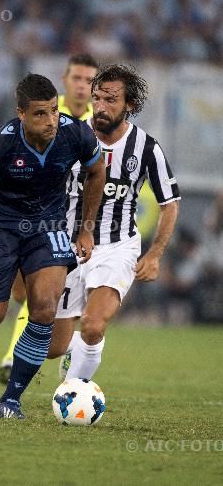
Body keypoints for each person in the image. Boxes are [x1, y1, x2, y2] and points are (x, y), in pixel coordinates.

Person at [0, 73, 106, 419]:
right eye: (39, 114)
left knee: (44, 309)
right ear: (21, 114)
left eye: (52, 111)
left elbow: (97, 171)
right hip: (1, 227)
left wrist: (86, 230)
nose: (50, 122)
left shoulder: (75, 133)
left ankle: (11, 399)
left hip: (48, 227)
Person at [47, 64, 180, 382]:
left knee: (93, 325)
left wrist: (155, 254)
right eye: (97, 99)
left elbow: (169, 204)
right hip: (69, 245)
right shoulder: (71, 136)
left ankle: (75, 389)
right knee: (54, 346)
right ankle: (73, 353)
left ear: (129, 105)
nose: (101, 107)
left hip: (117, 246)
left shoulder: (147, 148)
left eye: (110, 100)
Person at [0, 54, 99, 383]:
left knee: (79, 297)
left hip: (86, 223)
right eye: (77, 79)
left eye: (89, 81)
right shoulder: (48, 116)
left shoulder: (102, 121)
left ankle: (21, 357)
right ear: (66, 81)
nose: (83, 87)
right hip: (42, 217)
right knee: (24, 293)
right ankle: (42, 349)